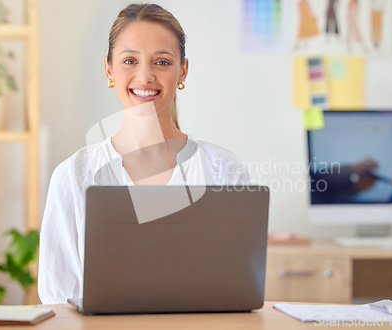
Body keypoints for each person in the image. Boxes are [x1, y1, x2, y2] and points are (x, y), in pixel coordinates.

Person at [38, 3, 250, 304]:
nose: (145, 75)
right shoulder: (73, 176)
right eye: (129, 60)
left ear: (182, 71)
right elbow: (58, 300)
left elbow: (237, 288)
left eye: (162, 62)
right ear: (109, 69)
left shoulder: (224, 171)